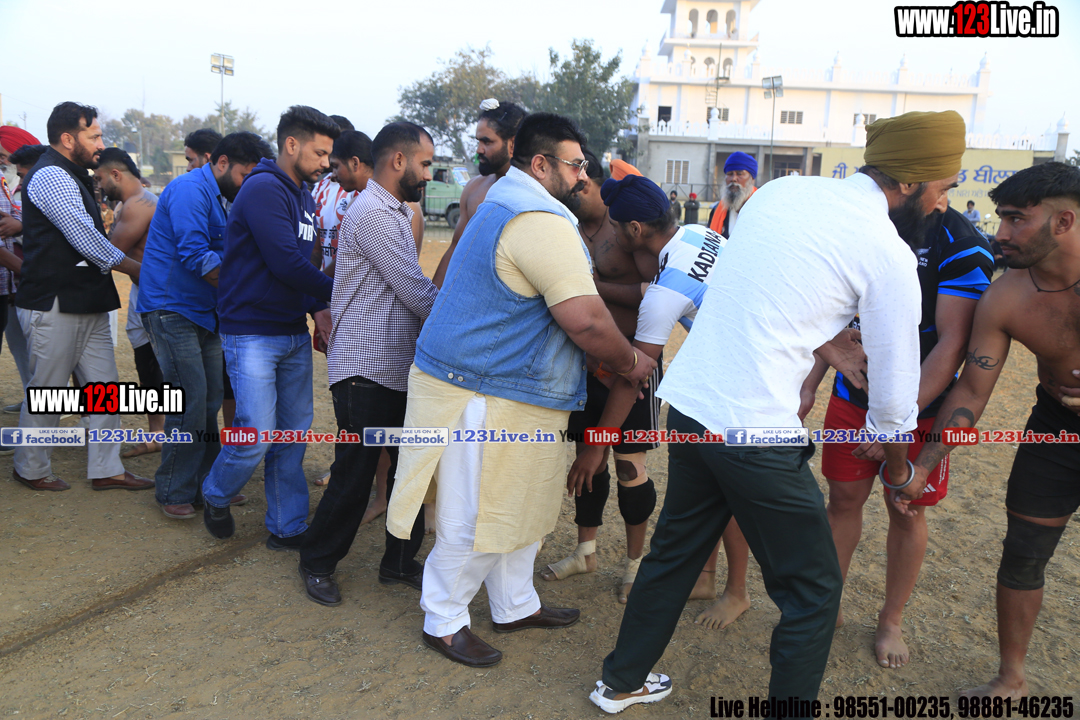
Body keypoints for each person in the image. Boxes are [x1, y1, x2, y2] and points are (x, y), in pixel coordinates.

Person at [590, 110, 965, 714]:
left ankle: (621, 680)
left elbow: (765, 290)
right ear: (911, 181)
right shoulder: (887, 253)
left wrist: (822, 337)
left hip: (691, 408)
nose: (944, 203)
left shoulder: (781, 194)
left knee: (673, 553)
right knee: (814, 591)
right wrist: (898, 471)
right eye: (943, 188)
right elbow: (895, 401)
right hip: (755, 431)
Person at [386, 113, 657, 669]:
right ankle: (443, 620)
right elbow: (585, 319)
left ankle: (514, 603)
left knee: (521, 506)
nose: (584, 176)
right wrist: (633, 362)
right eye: (575, 165)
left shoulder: (509, 204)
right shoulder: (535, 218)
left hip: (512, 389)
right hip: (483, 390)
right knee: (476, 514)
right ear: (540, 165)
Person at [803, 173, 993, 669]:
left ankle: (891, 619)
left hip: (923, 408)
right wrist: (811, 382)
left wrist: (894, 420)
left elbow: (952, 344)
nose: (943, 201)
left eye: (949, 190)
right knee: (842, 500)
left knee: (905, 507)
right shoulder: (860, 222)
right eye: (938, 188)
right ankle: (828, 604)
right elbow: (833, 314)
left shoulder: (964, 244)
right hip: (853, 394)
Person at [909, 162, 1080, 699]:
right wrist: (924, 466)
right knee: (1024, 552)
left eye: (1016, 220)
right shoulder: (1006, 296)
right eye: (1000, 217)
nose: (999, 233)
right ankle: (1011, 678)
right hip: (1056, 431)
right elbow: (971, 393)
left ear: (1064, 222)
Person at [298, 122, 438, 606]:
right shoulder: (374, 213)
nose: (428, 174)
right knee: (355, 473)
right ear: (398, 160)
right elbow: (414, 290)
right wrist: (462, 321)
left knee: (406, 471)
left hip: (392, 367)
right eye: (425, 164)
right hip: (366, 370)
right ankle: (317, 561)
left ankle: (399, 562)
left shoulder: (393, 210)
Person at [200, 106, 338, 547]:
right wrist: (344, 294)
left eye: (329, 155)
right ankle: (215, 493)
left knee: (292, 435)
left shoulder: (302, 194)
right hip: (252, 332)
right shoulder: (263, 188)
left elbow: (306, 264)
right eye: (319, 153)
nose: (326, 163)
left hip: (290, 331)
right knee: (257, 434)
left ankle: (286, 525)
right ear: (291, 144)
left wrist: (318, 306)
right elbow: (286, 263)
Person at [540, 151, 663, 606]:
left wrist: (595, 286)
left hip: (635, 360)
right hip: (585, 364)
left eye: (576, 188)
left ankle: (635, 564)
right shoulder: (565, 225)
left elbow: (656, 292)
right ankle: (585, 552)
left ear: (588, 180)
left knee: (629, 467)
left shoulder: (627, 226)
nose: (569, 196)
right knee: (585, 461)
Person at [137, 131, 274, 519]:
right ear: (222, 162)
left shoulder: (225, 197)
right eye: (245, 175)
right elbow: (197, 254)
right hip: (171, 308)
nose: (248, 184)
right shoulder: (189, 191)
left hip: (205, 311)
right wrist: (250, 290)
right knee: (191, 398)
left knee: (211, 397)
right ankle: (173, 490)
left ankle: (210, 485)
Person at [12, 101, 148, 492]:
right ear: (68, 139)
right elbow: (87, 240)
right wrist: (142, 272)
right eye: (94, 136)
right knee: (48, 391)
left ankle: (107, 468)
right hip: (55, 302)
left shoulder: (71, 173)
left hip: (87, 300)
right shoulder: (51, 175)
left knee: (105, 389)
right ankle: (30, 468)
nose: (101, 144)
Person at [93, 148, 167, 458]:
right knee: (146, 362)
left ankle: (162, 434)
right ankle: (157, 434)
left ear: (116, 174)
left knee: (154, 363)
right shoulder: (132, 202)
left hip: (157, 296)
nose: (98, 185)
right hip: (144, 291)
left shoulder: (139, 205)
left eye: (100, 179)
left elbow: (108, 253)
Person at [431, 98, 527, 288]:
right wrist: (433, 301)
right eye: (478, 141)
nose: (479, 150)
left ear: (513, 144)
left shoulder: (533, 195)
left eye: (487, 142)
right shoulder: (474, 188)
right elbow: (455, 248)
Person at [1, 143, 48, 413]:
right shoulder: (14, 186)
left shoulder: (45, 188)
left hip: (28, 281)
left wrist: (19, 225)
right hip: (16, 280)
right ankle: (33, 399)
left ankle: (44, 403)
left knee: (41, 349)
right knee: (20, 345)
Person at [707, 151, 757, 236]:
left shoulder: (761, 209)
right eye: (730, 174)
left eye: (739, 174)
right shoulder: (716, 210)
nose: (733, 179)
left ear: (752, 179)